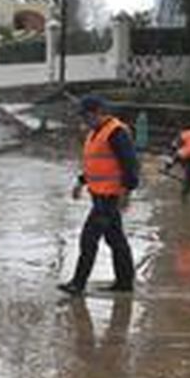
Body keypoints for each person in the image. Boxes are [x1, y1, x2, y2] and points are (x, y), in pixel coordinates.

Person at [57, 95, 139, 295]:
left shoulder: (116, 132)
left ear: (98, 113)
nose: (84, 121)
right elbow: (98, 164)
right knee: (115, 239)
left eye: (86, 116)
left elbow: (130, 165)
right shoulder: (96, 133)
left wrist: (127, 193)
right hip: (99, 194)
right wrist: (81, 182)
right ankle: (124, 283)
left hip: (109, 197)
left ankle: (78, 283)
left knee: (88, 238)